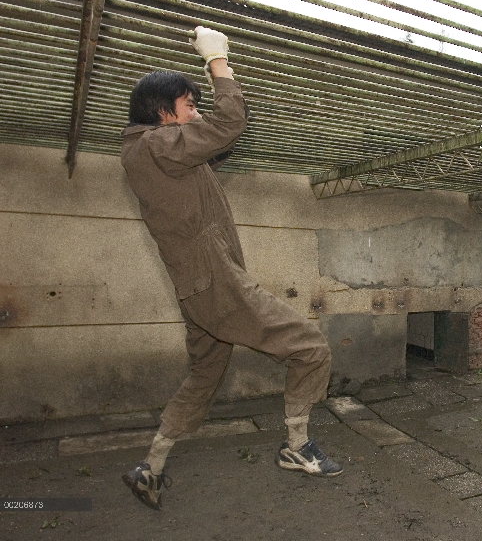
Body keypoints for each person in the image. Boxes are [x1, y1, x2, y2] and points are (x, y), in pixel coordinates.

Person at [120, 26, 342, 511]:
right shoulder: (157, 146)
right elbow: (227, 124)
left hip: (198, 289)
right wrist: (217, 62)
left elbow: (217, 142)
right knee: (310, 346)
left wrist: (214, 116)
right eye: (188, 105)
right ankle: (296, 446)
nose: (194, 113)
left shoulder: (161, 153)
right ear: (161, 112)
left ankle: (149, 467)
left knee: (203, 376)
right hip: (217, 285)